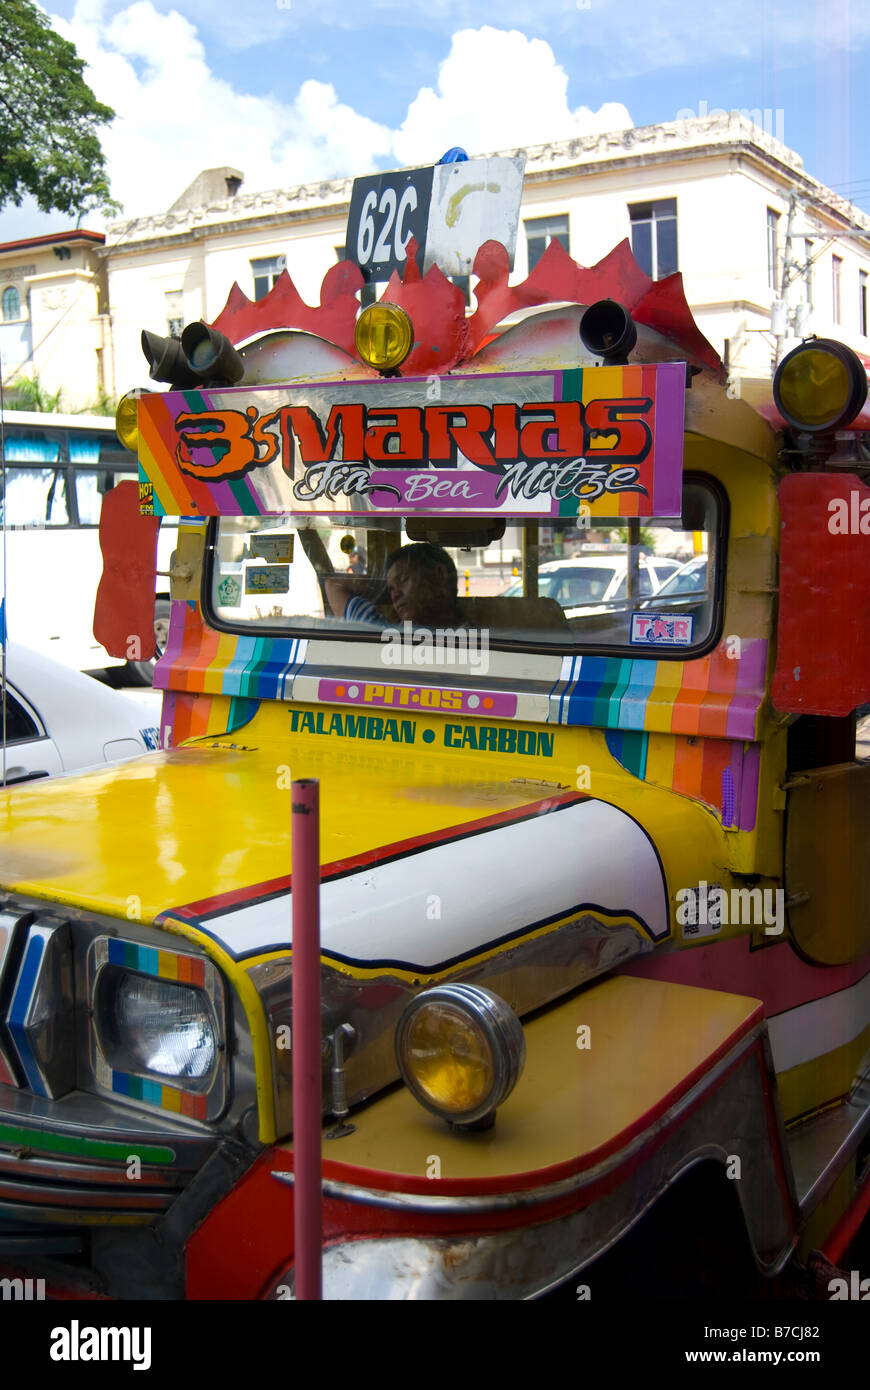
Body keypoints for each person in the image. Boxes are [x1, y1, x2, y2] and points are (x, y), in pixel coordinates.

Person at [324, 542, 464, 629]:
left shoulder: (474, 641)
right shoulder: (380, 632)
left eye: (402, 580)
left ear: (439, 575)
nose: (395, 595)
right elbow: (333, 585)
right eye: (390, 589)